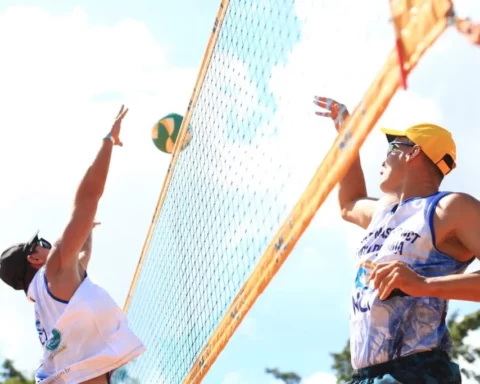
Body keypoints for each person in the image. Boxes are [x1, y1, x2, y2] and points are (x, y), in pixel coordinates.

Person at [314, 96, 480, 384]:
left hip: (418, 371)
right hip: (365, 375)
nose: (383, 157)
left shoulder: (450, 208)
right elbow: (349, 203)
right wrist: (346, 136)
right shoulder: (384, 212)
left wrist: (424, 285)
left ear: (413, 152)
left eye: (391, 146)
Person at [0, 106, 146, 384]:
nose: (47, 246)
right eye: (41, 244)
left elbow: (82, 258)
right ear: (34, 259)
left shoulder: (46, 300)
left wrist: (86, 231)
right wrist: (108, 141)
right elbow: (88, 197)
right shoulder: (53, 269)